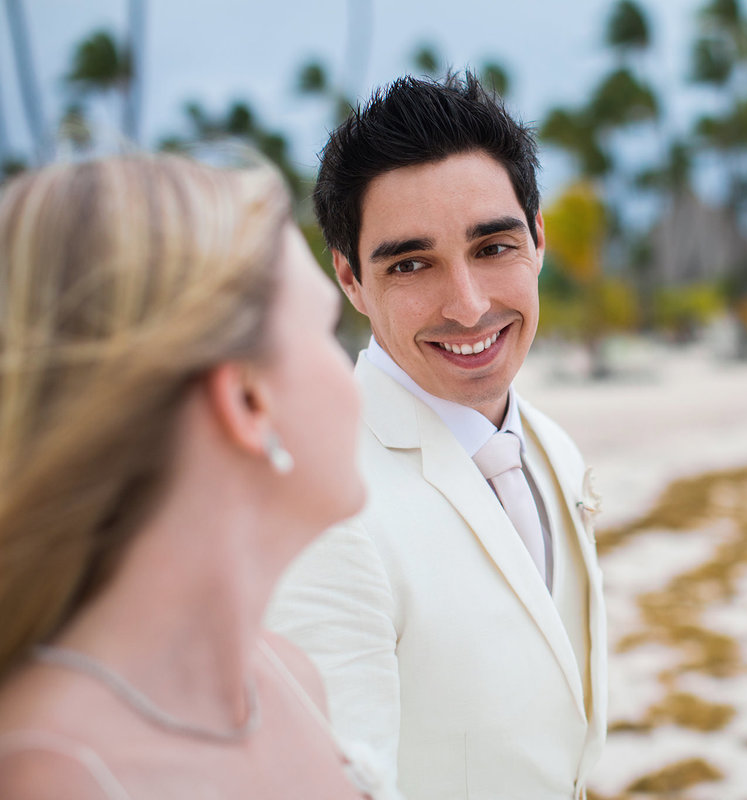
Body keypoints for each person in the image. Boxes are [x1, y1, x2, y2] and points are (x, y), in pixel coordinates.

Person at [0, 154, 394, 799]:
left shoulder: (287, 682)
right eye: (330, 331)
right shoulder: (51, 774)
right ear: (246, 399)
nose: (353, 374)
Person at [266, 72, 607, 799]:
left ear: (539, 238)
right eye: (412, 264)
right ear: (351, 280)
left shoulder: (552, 445)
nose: (469, 305)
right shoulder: (323, 508)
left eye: (492, 248)